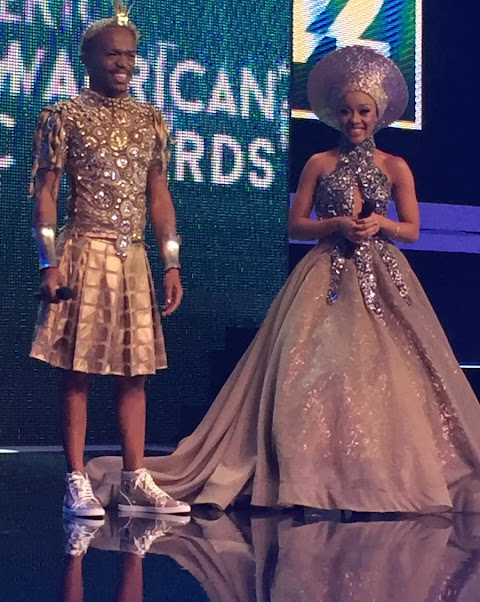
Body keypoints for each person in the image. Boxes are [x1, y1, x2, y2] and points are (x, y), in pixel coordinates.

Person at [87, 46, 480, 514]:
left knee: (388, 377)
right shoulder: (319, 162)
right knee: (315, 373)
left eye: (363, 112)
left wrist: (382, 225)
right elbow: (295, 224)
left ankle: (374, 476)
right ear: (335, 115)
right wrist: (335, 225)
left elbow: (412, 229)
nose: (354, 120)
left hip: (384, 276)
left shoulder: (396, 166)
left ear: (378, 114)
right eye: (347, 111)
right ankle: (313, 478)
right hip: (325, 274)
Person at [30, 3, 190, 519]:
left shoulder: (151, 120)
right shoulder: (64, 116)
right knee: (77, 371)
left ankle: (133, 480)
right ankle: (75, 479)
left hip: (133, 257)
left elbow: (159, 196)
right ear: (88, 59)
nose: (123, 63)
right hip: (84, 251)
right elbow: (46, 191)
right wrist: (48, 263)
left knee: (135, 372)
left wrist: (171, 262)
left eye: (130, 54)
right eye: (112, 54)